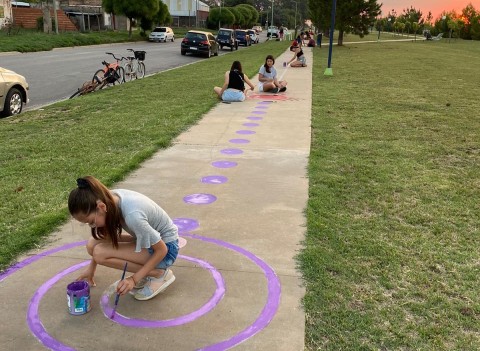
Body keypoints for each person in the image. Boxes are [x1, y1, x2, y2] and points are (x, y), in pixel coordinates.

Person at [68, 176, 179, 301]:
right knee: (92, 243)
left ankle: (158, 274)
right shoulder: (109, 198)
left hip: (166, 249)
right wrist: (91, 269)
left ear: (101, 207)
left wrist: (133, 279)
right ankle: (148, 271)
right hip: (146, 239)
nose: (92, 226)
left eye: (91, 222)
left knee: (100, 253)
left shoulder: (133, 216)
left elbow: (161, 250)